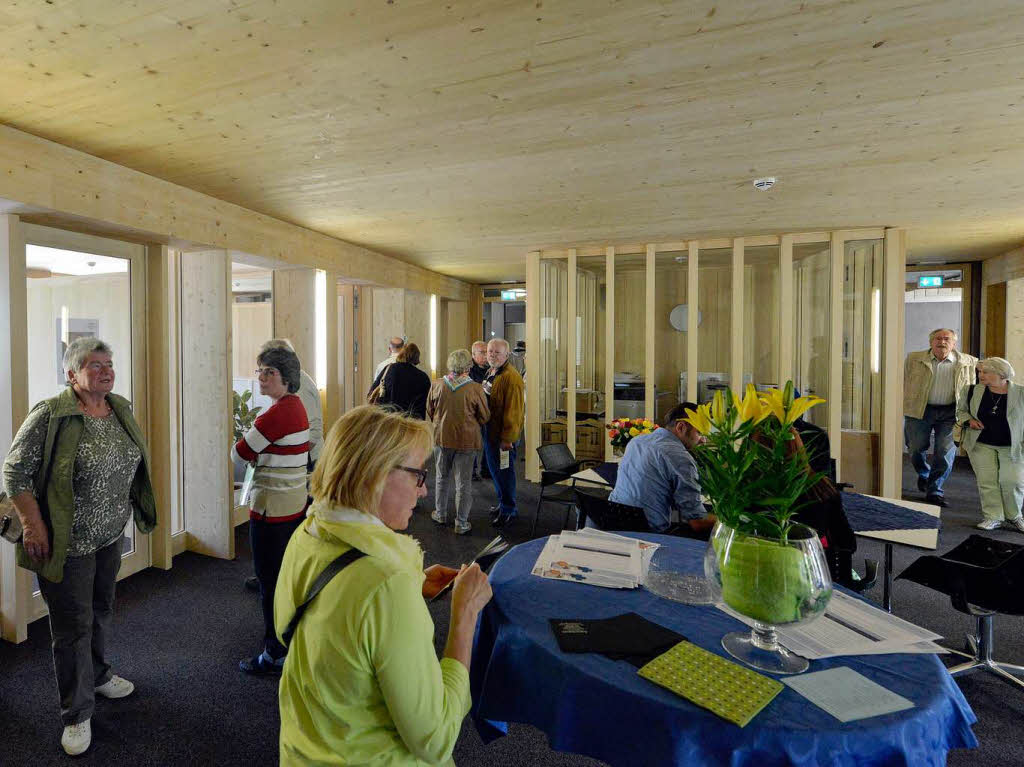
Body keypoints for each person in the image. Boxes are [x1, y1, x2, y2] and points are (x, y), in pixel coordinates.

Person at [274, 405, 493, 766]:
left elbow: (313, 626)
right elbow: (436, 739)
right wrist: (464, 615)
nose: (423, 492)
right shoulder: (385, 584)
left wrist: (413, 584)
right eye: (417, 476)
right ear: (375, 474)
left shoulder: (309, 530)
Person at [2, 337, 157, 756]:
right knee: (71, 627)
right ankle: (76, 713)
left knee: (102, 609)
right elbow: (14, 472)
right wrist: (33, 528)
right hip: (65, 543)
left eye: (110, 363)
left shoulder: (119, 407)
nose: (106, 370)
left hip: (108, 537)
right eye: (95, 365)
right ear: (72, 375)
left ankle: (100, 675)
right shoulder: (51, 414)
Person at [232, 345, 310, 675]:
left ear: (286, 378)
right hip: (293, 505)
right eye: (260, 370)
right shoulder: (297, 407)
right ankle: (288, 642)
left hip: (270, 511)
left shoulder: (275, 414)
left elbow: (239, 455)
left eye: (269, 372)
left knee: (270, 584)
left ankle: (274, 653)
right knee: (285, 579)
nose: (261, 377)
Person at [244, 339, 324, 593]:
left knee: (290, 532)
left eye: (271, 367)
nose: (265, 374)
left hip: (306, 459)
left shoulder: (297, 389)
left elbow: (311, 430)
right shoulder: (290, 388)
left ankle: (280, 580)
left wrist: (289, 451)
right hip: (300, 459)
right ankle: (274, 575)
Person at [609, 402, 711, 535]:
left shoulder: (637, 441)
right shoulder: (680, 457)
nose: (703, 440)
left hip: (612, 522)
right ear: (681, 427)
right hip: (649, 534)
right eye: (699, 433)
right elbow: (697, 522)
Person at [904, 328, 977, 506]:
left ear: (954, 343)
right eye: (938, 338)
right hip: (920, 410)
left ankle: (935, 490)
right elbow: (904, 380)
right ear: (931, 342)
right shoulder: (914, 358)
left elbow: (974, 388)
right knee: (915, 448)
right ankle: (924, 474)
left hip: (951, 413)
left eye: (947, 339)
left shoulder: (969, 362)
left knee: (944, 452)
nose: (942, 342)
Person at [426, 349, 490, 534]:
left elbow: (430, 410)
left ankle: (440, 513)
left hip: (442, 438)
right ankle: (461, 523)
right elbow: (485, 416)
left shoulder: (437, 385)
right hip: (467, 441)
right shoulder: (475, 388)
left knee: (441, 477)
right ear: (469, 366)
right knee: (463, 483)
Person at [957, 357, 1024, 532]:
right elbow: (961, 411)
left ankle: (1015, 516)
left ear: (1001, 374)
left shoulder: (1021, 393)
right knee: (987, 482)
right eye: (980, 371)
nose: (980, 375)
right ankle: (993, 517)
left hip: (1013, 447)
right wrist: (969, 420)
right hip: (981, 444)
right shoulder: (971, 390)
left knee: (1013, 481)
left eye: (986, 372)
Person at [482, 338, 525, 526]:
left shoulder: (511, 377)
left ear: (506, 355)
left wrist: (508, 439)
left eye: (497, 352)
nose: (492, 355)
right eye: (490, 351)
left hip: (503, 437)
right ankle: (503, 503)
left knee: (505, 473)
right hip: (490, 432)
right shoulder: (492, 371)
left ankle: (509, 509)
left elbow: (514, 412)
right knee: (496, 472)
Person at [378, 342, 432, 420]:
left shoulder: (389, 369)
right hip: (414, 423)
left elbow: (373, 390)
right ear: (417, 357)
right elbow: (427, 403)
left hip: (390, 420)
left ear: (401, 354)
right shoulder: (423, 377)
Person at [469, 341, 490, 481]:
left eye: (486, 352)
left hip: (487, 411)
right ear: (473, 354)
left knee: (488, 441)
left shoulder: (490, 369)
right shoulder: (469, 370)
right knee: (473, 444)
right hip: (474, 413)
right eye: (482, 352)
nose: (486, 355)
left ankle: (486, 470)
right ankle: (472, 471)